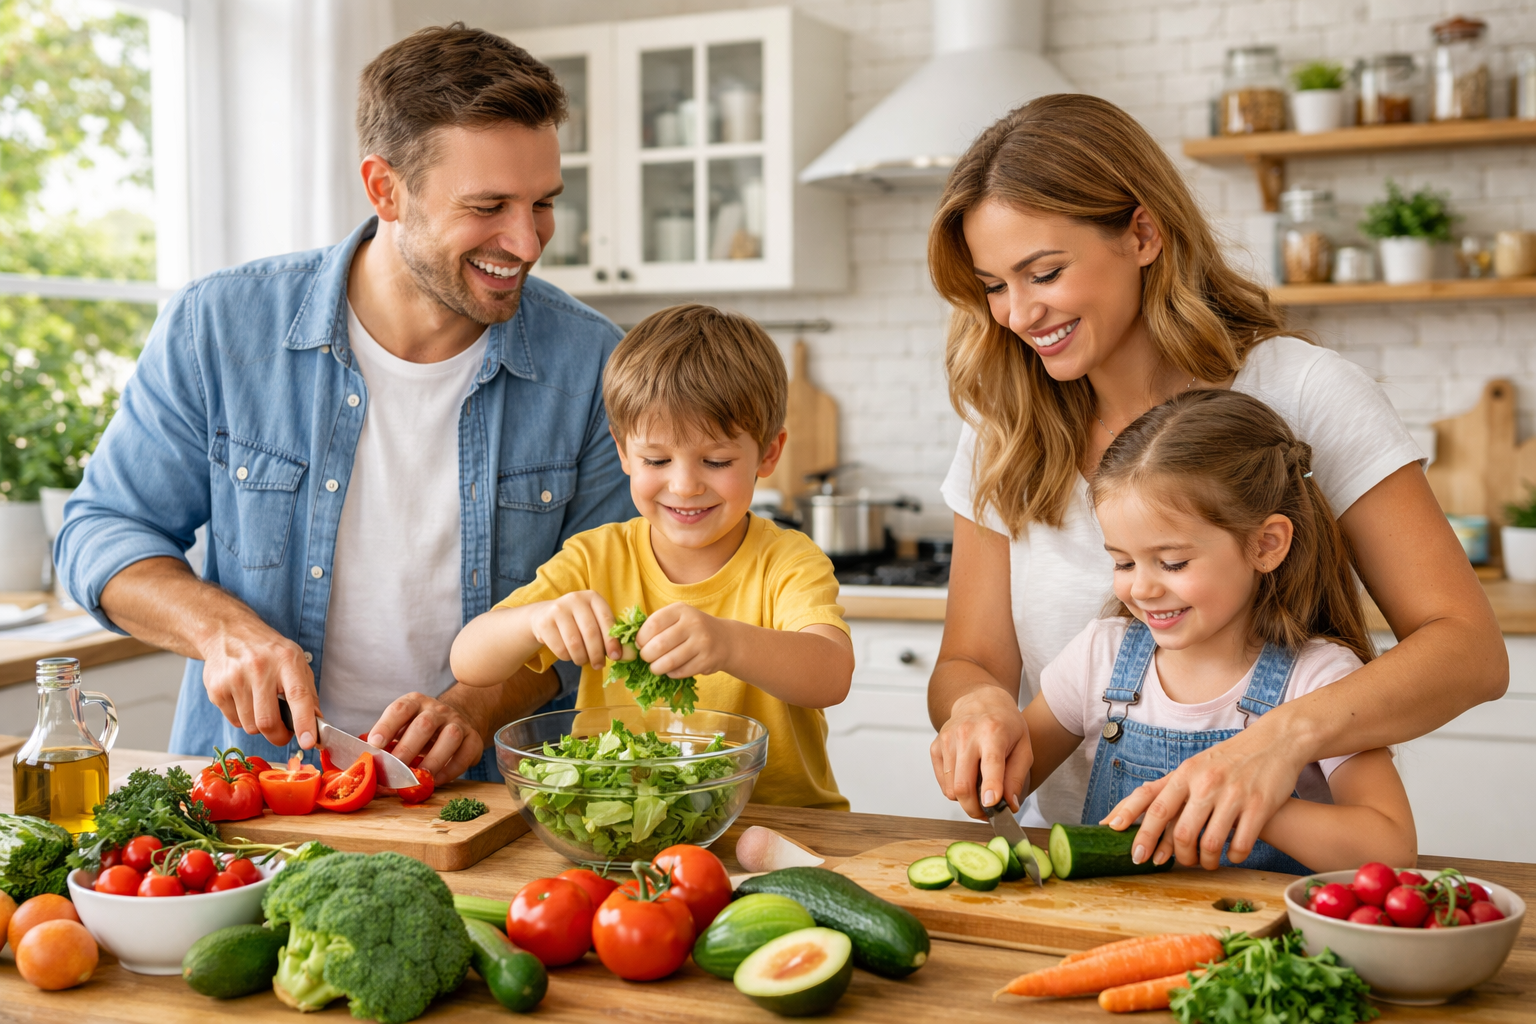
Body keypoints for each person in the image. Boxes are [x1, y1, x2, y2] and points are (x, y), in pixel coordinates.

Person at [926, 94, 1506, 869]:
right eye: (993, 285)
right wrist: (975, 709)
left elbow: (1468, 651)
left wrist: (1277, 742)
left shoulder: (1304, 391)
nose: (1018, 314)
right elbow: (971, 661)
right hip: (1091, 882)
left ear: (1142, 233)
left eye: (1045, 272)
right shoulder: (1004, 424)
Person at [54, 25, 635, 781]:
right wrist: (222, 631)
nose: (525, 241)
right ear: (384, 189)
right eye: (489, 205)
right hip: (255, 796)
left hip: (485, 805)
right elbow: (102, 531)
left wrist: (475, 704)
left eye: (543, 204)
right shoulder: (220, 326)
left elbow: (601, 602)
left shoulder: (595, 364)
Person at [452, 304, 856, 809]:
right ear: (622, 452)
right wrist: (537, 619)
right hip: (624, 822)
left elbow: (831, 674)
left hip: (776, 826)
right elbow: (468, 660)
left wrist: (728, 643)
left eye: (717, 460)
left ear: (769, 454)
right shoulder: (595, 557)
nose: (684, 485)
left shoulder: (788, 561)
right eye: (657, 459)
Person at [1019, 389, 1415, 872]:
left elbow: (1390, 848)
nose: (1141, 588)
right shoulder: (1098, 658)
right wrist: (983, 732)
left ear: (1266, 545)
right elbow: (1011, 771)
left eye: (1172, 562)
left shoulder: (1318, 679)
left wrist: (1246, 800)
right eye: (1122, 561)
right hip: (1121, 932)